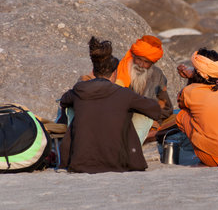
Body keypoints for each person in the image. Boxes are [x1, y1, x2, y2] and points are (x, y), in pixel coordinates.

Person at [59, 37, 161, 173]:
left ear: (93, 72)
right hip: (117, 164)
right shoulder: (124, 94)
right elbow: (156, 110)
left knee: (71, 109)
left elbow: (63, 101)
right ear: (114, 74)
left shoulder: (79, 89)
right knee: (143, 114)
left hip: (80, 164)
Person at [116, 35, 173, 142]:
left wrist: (152, 120)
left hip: (144, 119)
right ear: (133, 56)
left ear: (153, 63)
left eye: (146, 62)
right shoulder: (119, 69)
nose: (141, 65)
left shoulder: (157, 76)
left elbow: (166, 108)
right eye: (138, 59)